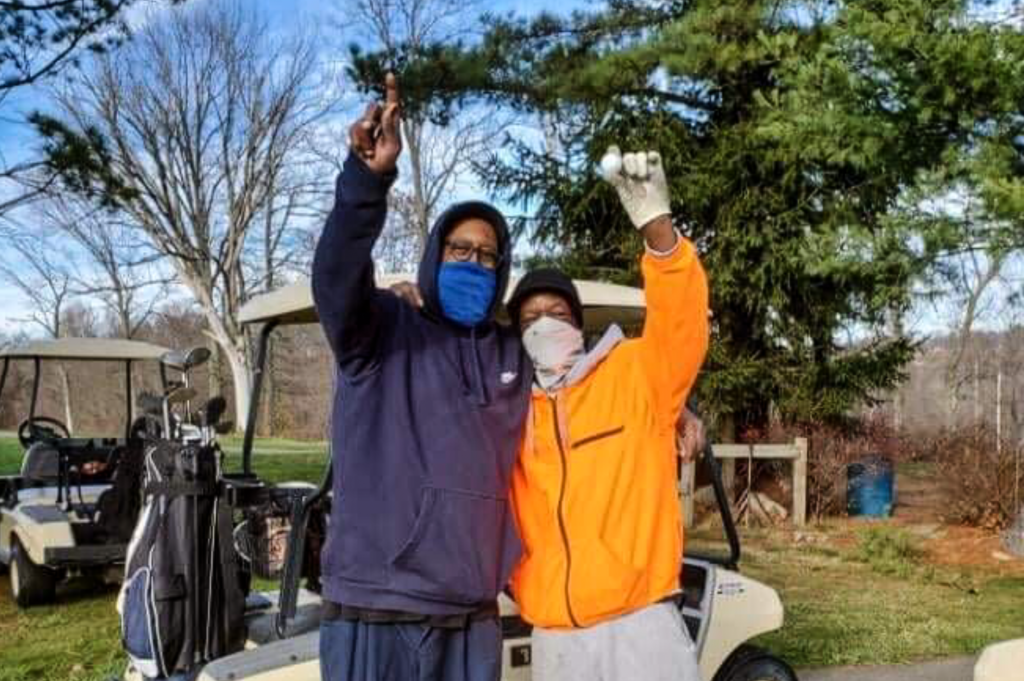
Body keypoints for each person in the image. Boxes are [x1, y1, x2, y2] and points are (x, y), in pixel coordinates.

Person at [311, 73, 532, 681]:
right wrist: (366, 182)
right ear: (435, 256)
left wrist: (681, 410)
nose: (474, 263)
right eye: (460, 250)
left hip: (474, 616)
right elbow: (334, 277)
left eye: (488, 256)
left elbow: (589, 388)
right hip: (380, 607)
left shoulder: (512, 355)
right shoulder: (382, 327)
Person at [503, 145, 710, 681]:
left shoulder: (635, 373)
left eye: (555, 313)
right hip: (556, 633)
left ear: (577, 323)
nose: (543, 324)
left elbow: (682, 326)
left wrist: (660, 236)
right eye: (529, 319)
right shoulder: (506, 410)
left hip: (640, 623)